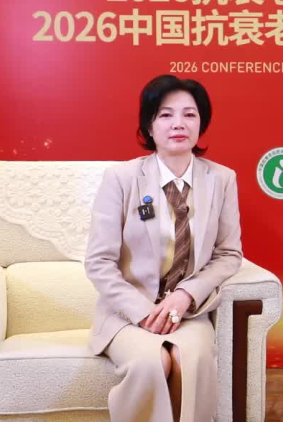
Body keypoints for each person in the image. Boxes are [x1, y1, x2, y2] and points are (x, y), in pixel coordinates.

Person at [84, 75, 243, 422]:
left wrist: (186, 295)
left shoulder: (222, 179)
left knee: (191, 360)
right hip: (127, 314)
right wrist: (143, 312)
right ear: (149, 126)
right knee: (151, 362)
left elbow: (229, 254)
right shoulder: (121, 178)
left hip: (187, 312)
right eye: (166, 115)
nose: (178, 124)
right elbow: (98, 262)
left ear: (201, 123)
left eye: (189, 114)